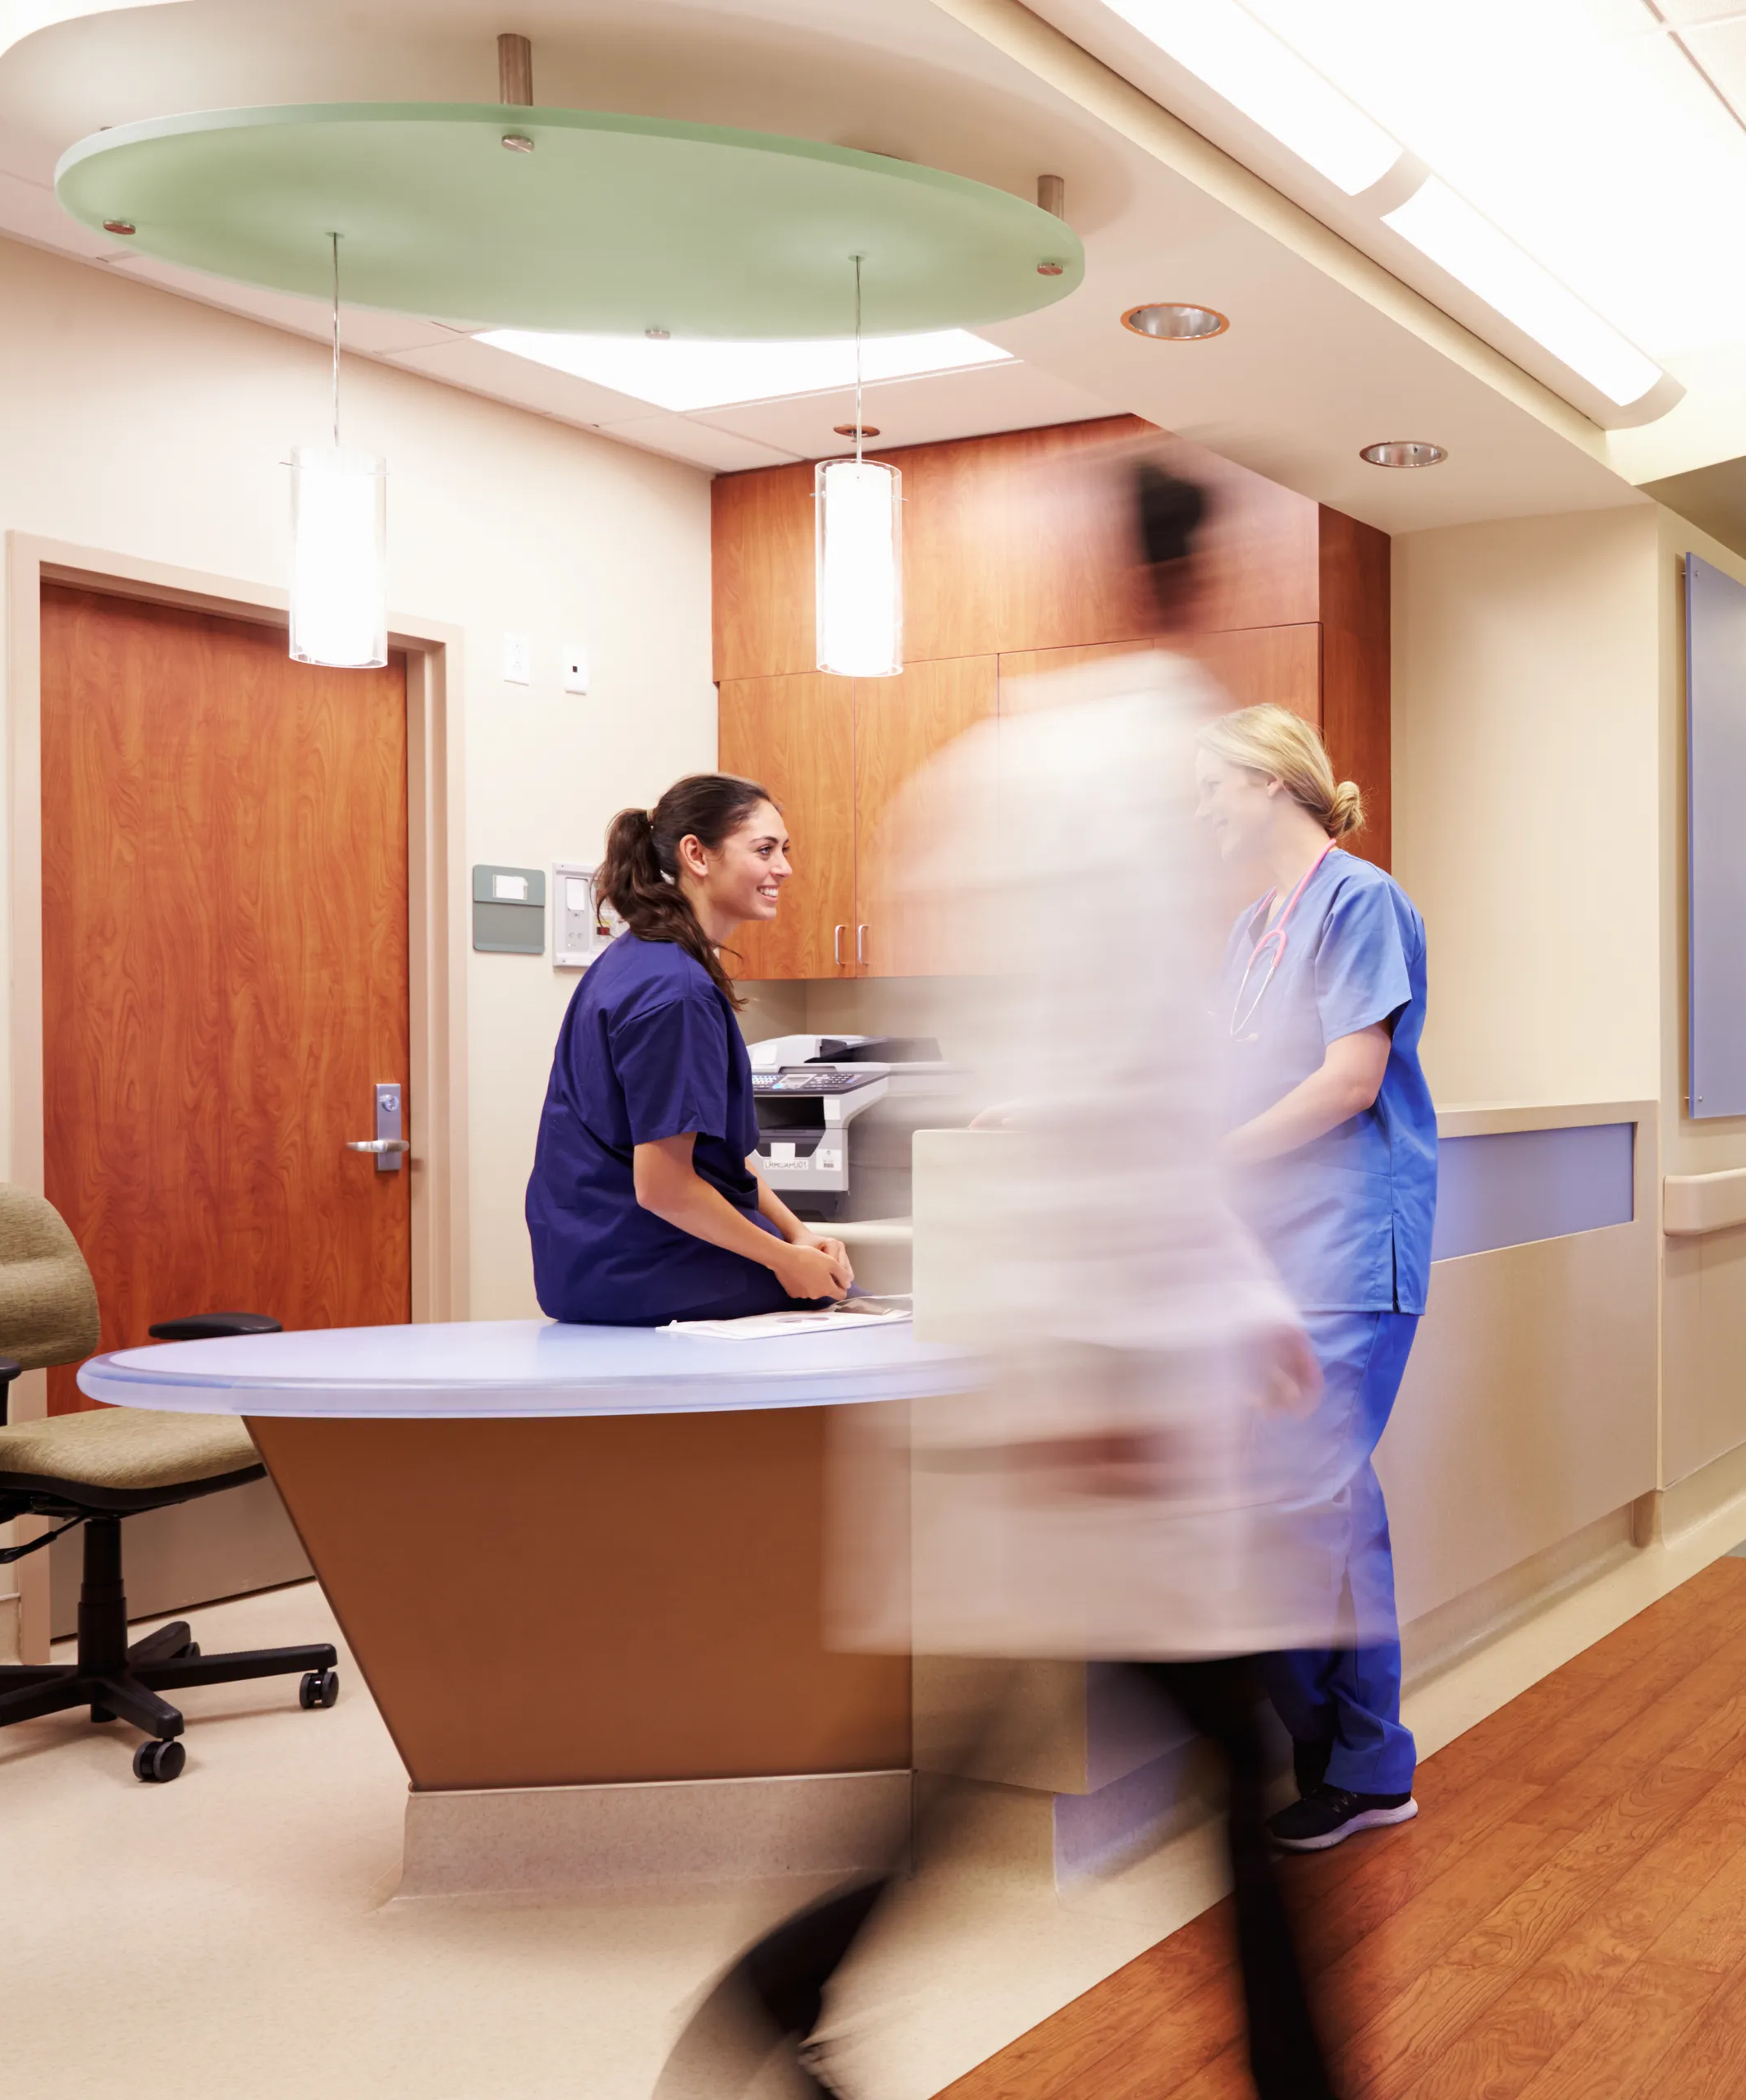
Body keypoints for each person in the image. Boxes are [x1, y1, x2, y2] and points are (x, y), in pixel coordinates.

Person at [652, 460, 1356, 2100]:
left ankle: (784, 1984)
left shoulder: (996, 770)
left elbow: (1109, 1083)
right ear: (1190, 581)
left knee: (1020, 1745)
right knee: (1200, 1751)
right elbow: (1112, 1080)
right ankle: (788, 1982)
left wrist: (1224, 1302)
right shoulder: (1123, 784)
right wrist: (1122, 1365)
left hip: (1071, 1346)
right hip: (1089, 1365)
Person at [1196, 704, 1437, 1851]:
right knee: (1305, 1504)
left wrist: (1214, 1159)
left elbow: (1351, 1080)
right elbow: (1201, 1076)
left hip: (1348, 1243)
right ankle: (1345, 1753)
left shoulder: (1362, 901)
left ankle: (1360, 1764)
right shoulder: (1253, 927)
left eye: (1211, 785)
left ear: (1269, 781)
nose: (1200, 808)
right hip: (1271, 1254)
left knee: (1305, 1507)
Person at [524, 774, 852, 1326]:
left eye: (785, 851)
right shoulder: (675, 992)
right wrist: (785, 1261)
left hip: (593, 1258)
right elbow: (665, 1188)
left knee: (830, 1281)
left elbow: (711, 1155)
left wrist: (798, 1233)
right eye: (765, 850)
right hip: (642, 1265)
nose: (784, 870)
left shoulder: (639, 960)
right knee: (846, 1309)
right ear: (696, 855)